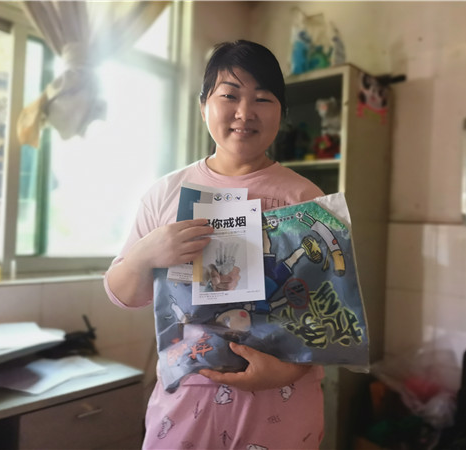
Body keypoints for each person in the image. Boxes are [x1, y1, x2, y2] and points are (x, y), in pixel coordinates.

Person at [104, 40, 325, 449]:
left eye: (263, 98)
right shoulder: (165, 194)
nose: (245, 112)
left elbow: (328, 315)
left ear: (281, 113)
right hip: (187, 402)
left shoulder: (306, 200)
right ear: (204, 104)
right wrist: (146, 254)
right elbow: (123, 294)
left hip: (281, 400)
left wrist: (284, 372)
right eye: (229, 95)